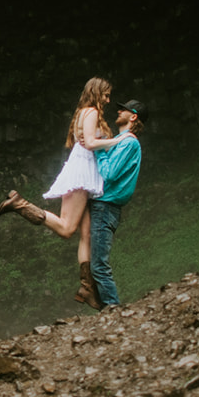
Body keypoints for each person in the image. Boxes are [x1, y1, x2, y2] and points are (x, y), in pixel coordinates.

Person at [0, 78, 123, 298]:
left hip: (85, 172)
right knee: (66, 228)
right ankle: (20, 204)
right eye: (106, 95)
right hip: (82, 174)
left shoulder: (85, 112)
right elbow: (90, 143)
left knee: (87, 234)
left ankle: (87, 288)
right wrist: (118, 141)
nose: (108, 100)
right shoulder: (90, 112)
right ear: (96, 92)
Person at [84, 99, 145, 310]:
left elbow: (109, 173)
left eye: (124, 110)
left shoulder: (128, 142)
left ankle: (114, 311)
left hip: (105, 206)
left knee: (99, 265)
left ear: (133, 116)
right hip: (103, 206)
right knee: (95, 261)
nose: (119, 111)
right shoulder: (119, 140)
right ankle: (103, 306)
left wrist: (98, 148)